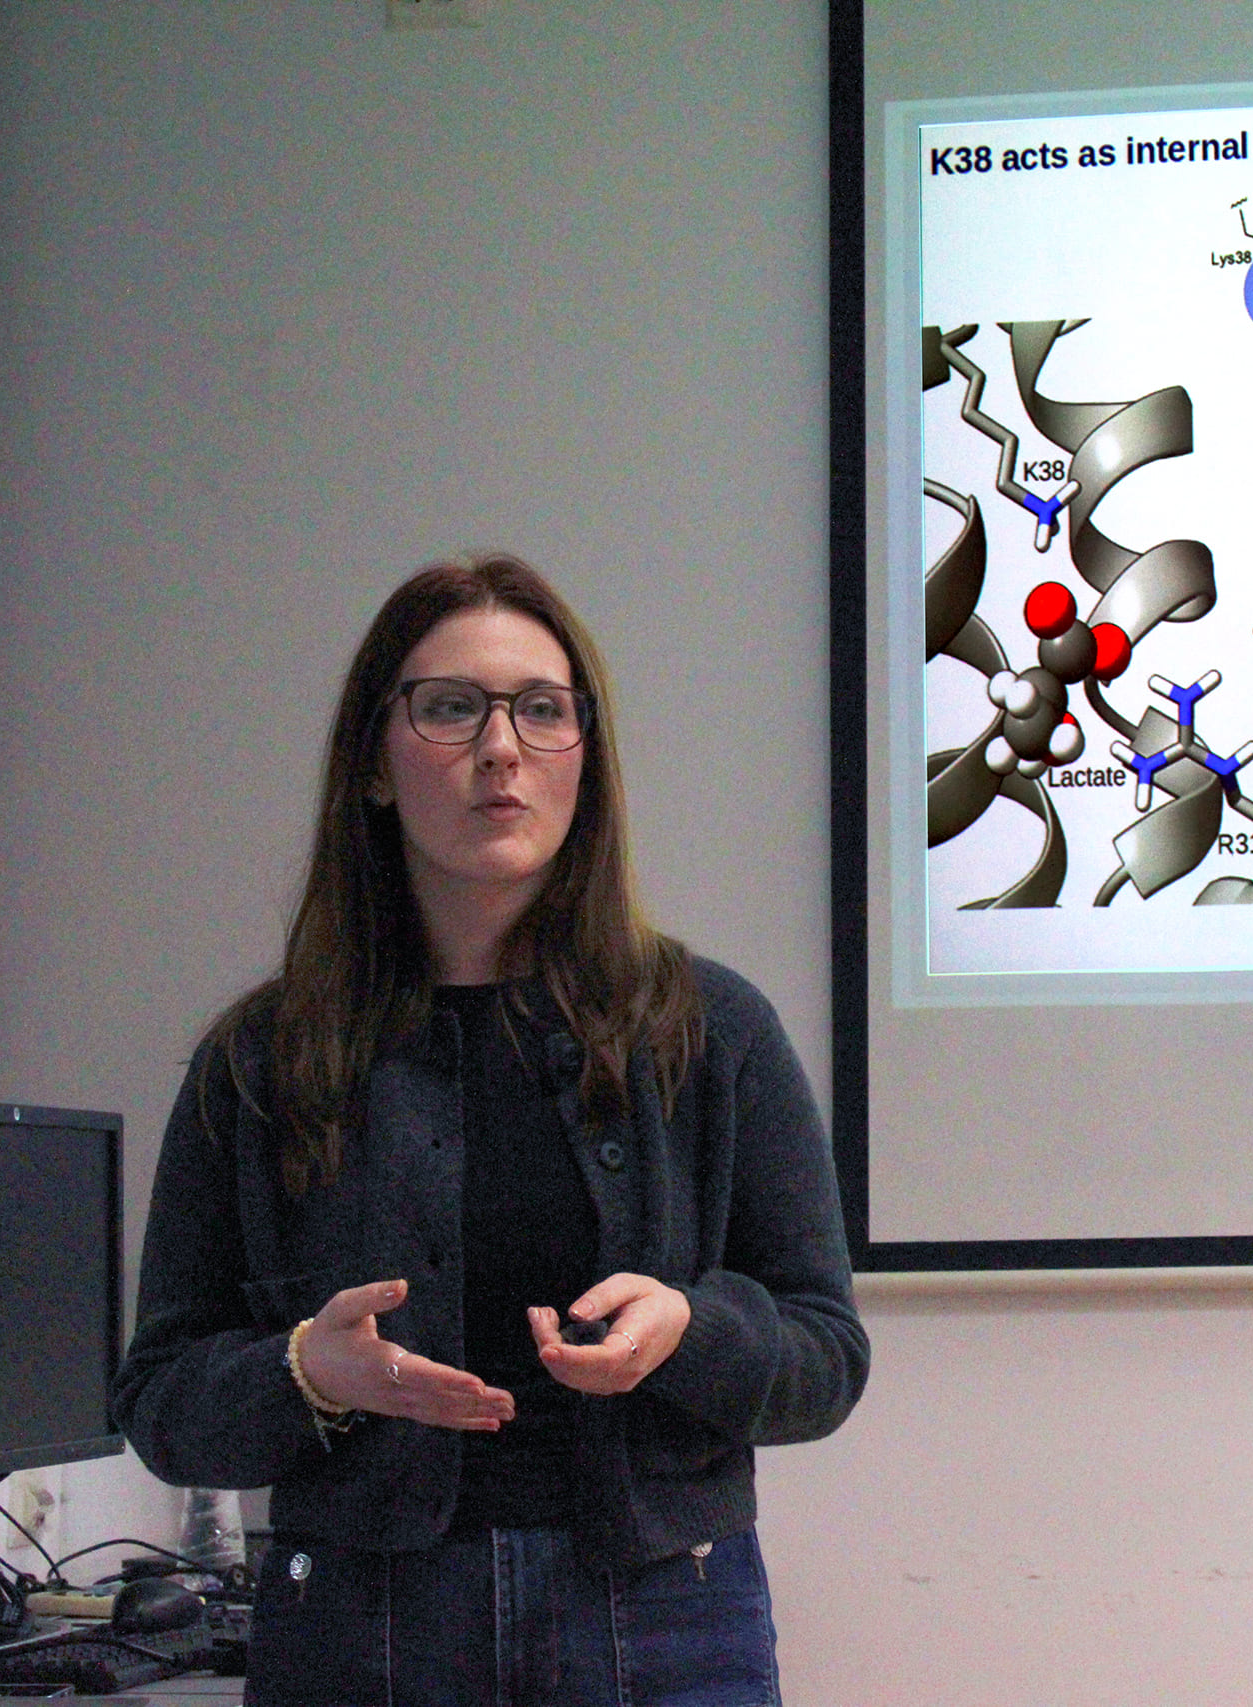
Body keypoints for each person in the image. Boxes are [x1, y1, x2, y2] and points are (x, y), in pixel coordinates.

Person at [111, 554, 867, 1705]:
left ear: (585, 758)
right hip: (359, 1627)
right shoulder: (262, 1057)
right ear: (374, 760)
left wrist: (689, 1331)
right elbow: (162, 1402)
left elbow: (825, 1357)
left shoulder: (710, 1031)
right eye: (452, 707)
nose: (501, 748)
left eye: (542, 710)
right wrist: (308, 1372)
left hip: (666, 1618)